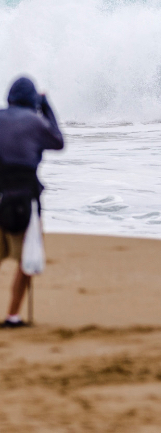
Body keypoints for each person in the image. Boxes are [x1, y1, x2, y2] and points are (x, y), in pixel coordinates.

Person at [0, 77, 63, 329]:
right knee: (27, 260)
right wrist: (47, 107)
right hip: (25, 201)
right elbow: (58, 142)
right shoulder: (36, 121)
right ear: (32, 101)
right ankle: (13, 316)